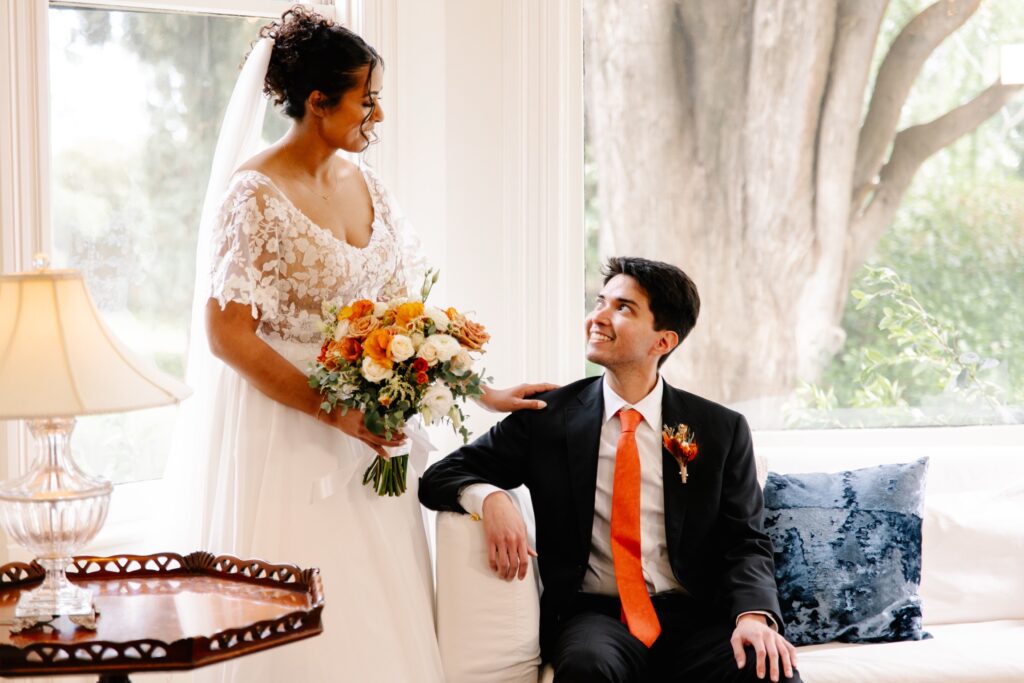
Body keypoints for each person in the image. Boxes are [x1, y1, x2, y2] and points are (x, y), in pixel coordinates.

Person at [190, 7, 554, 681]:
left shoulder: (370, 188)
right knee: (300, 611)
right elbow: (227, 334)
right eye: (368, 99)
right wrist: (332, 410)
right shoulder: (255, 194)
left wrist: (482, 389)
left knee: (378, 609)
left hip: (373, 432)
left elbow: (405, 319)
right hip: (288, 433)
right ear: (320, 102)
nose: (378, 116)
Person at [419, 257, 802, 683]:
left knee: (771, 670)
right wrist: (488, 497)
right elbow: (439, 476)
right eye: (600, 302)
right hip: (594, 617)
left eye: (623, 308)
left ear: (663, 341)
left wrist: (752, 617)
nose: (597, 317)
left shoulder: (720, 429)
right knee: (587, 669)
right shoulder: (547, 417)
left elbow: (744, 540)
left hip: (694, 616)